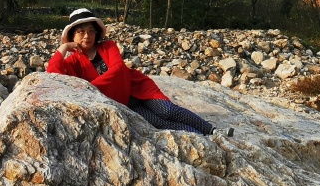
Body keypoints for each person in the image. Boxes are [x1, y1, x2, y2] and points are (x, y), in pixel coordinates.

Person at [46, 8, 219, 136]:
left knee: (167, 111)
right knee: (157, 122)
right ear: (72, 36)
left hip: (136, 88)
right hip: (123, 102)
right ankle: (201, 135)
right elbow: (53, 75)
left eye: (91, 30)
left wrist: (90, 89)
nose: (87, 36)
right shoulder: (73, 61)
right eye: (81, 32)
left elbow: (119, 69)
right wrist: (63, 48)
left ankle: (210, 129)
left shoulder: (108, 46)